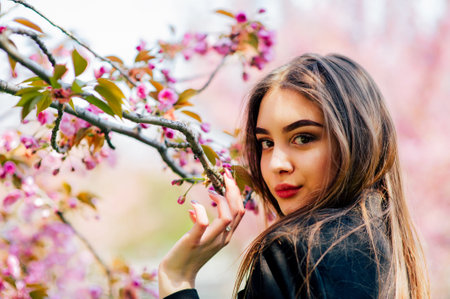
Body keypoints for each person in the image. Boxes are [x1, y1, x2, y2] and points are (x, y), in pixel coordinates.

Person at [158, 53, 430, 298]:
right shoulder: (394, 256)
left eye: (303, 137)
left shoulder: (292, 253)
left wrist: (177, 279)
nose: (277, 164)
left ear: (356, 141)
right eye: (266, 143)